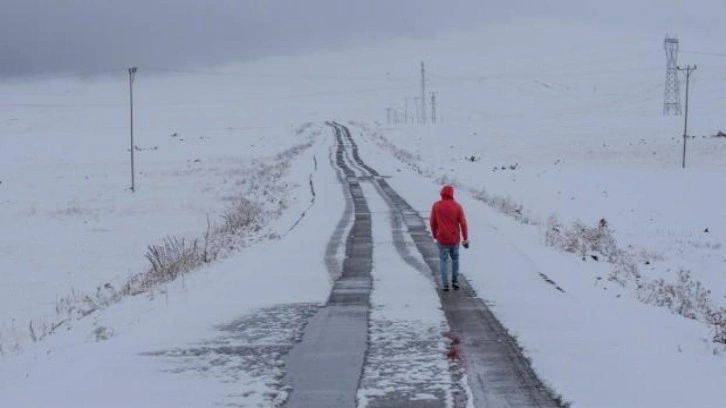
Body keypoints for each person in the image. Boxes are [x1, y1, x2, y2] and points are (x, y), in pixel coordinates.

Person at [430, 185, 469, 291]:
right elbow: (463, 223)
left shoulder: (436, 206)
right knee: (455, 259)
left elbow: (433, 222)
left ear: (442, 193)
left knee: (443, 260)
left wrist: (434, 234)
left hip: (442, 238)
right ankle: (455, 281)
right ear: (452, 194)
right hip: (454, 238)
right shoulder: (457, 206)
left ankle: (445, 284)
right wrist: (465, 238)